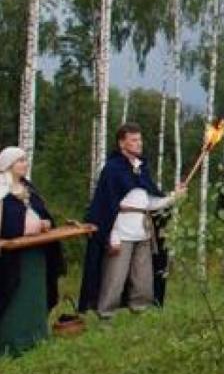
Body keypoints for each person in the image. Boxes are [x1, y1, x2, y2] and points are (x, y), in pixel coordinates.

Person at [78, 124, 184, 318]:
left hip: (143, 232)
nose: (139, 143)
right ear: (121, 143)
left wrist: (173, 197)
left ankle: (140, 309)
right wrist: (113, 235)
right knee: (115, 277)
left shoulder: (141, 169)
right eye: (133, 140)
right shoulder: (113, 169)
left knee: (143, 277)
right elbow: (107, 206)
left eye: (140, 139)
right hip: (121, 232)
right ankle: (106, 314)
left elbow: (150, 202)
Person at [0, 147, 64, 356]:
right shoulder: (2, 189)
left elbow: (40, 211)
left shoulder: (28, 187)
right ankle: (12, 343)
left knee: (36, 295)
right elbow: (5, 223)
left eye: (25, 160)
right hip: (12, 257)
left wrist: (45, 223)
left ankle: (36, 338)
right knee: (14, 297)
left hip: (36, 253)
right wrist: (26, 228)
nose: (25, 164)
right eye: (20, 161)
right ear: (8, 165)